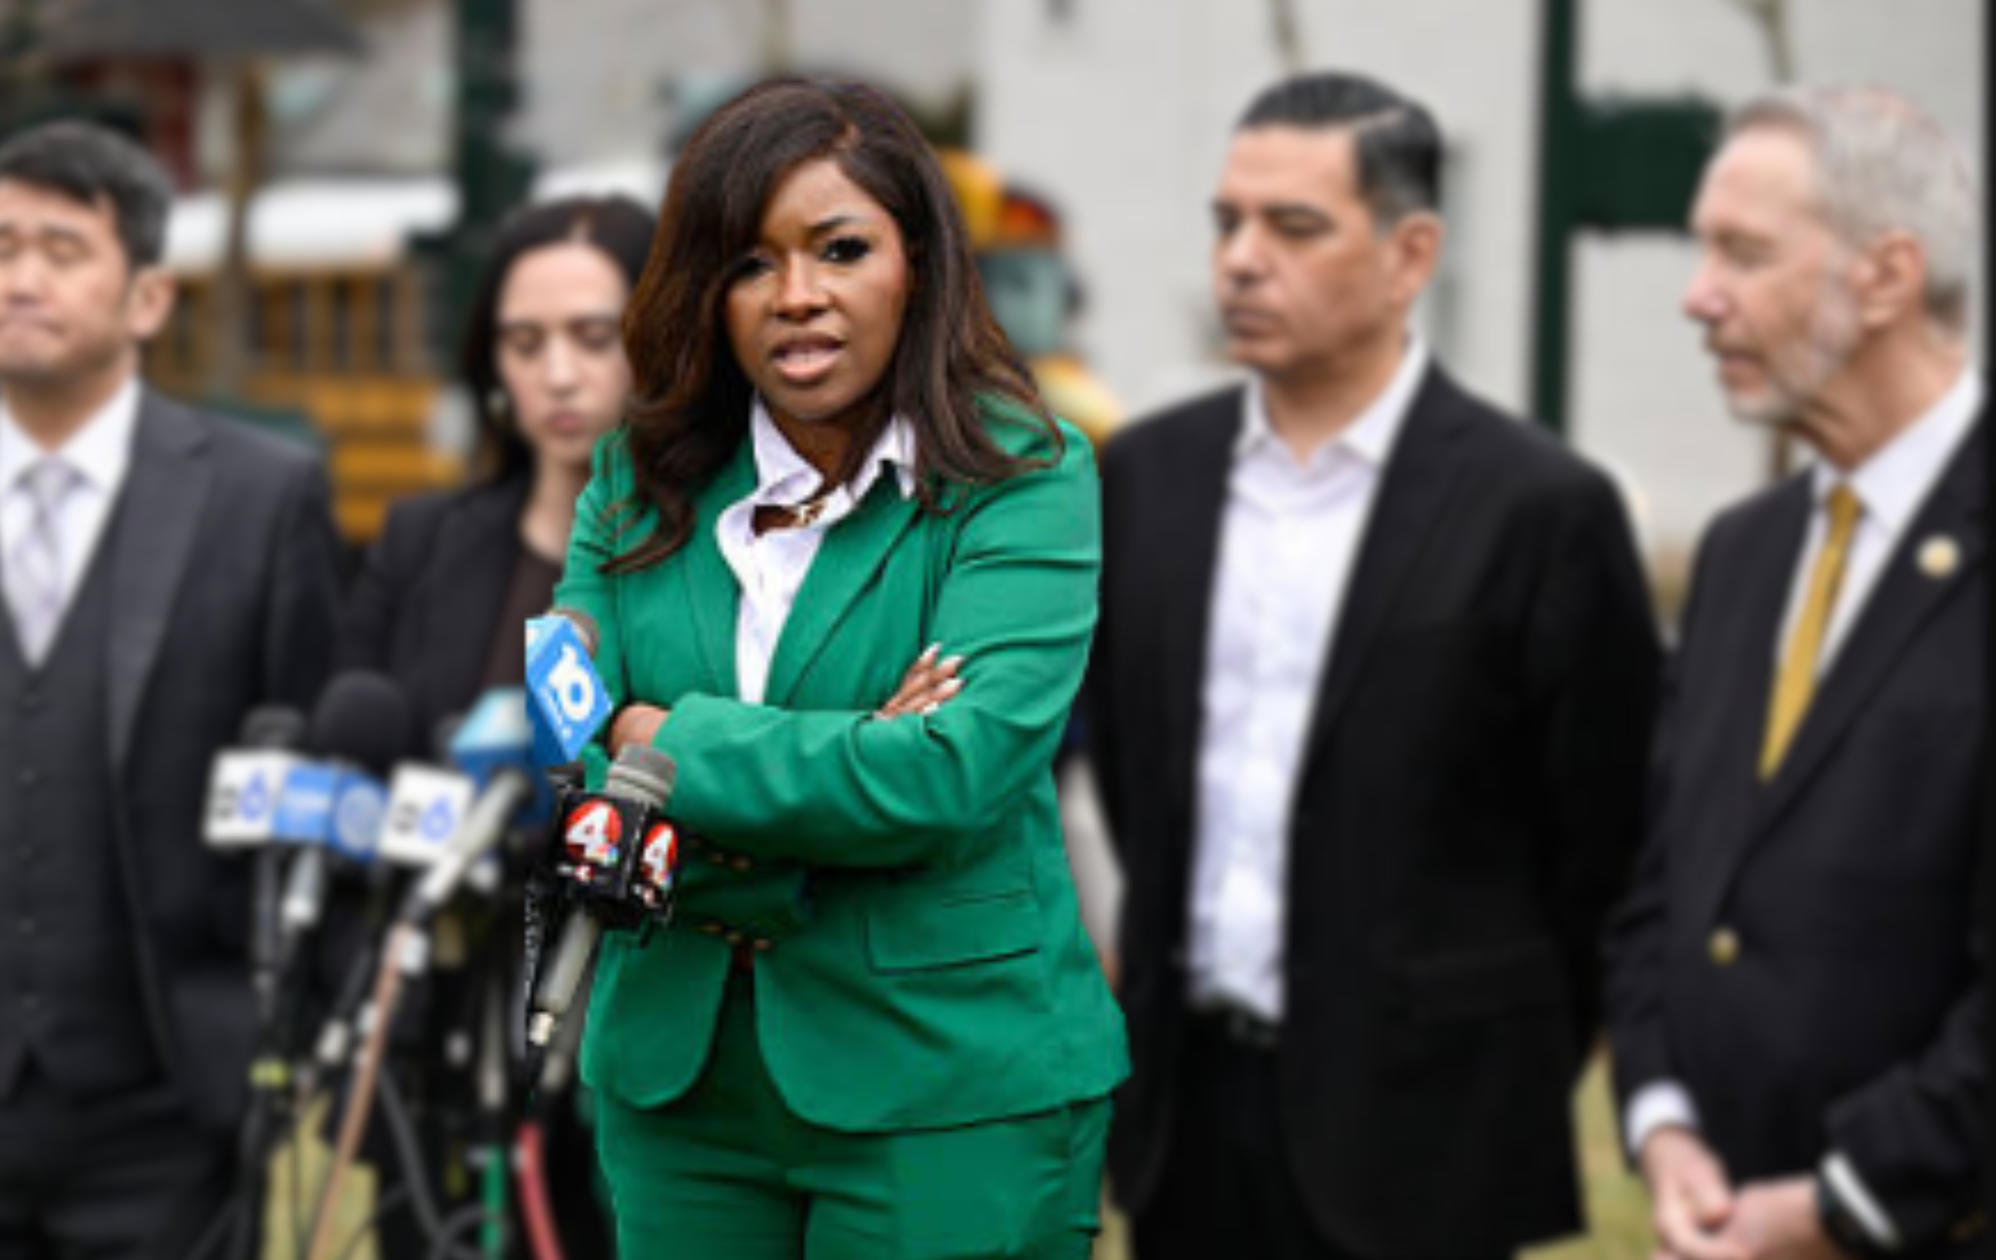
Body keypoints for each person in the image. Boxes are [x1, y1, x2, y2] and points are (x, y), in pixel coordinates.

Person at [1086, 72, 1663, 1260]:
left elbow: (1598, 842)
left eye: (1291, 227)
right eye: (1225, 222)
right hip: (1185, 1121)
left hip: (1426, 1134)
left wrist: (1497, 1052)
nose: (1241, 260)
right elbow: (1133, 784)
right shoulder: (1141, 478)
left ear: (1410, 255)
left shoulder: (1538, 508)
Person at [551, 76, 1127, 1260]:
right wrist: (850, 748)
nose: (796, 297)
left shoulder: (1023, 475)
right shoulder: (634, 474)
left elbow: (946, 776)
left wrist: (665, 739)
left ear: (916, 263)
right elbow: (562, 714)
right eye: (751, 263)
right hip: (679, 1080)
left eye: (839, 249)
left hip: (945, 1079)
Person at [0, 119, 343, 1257]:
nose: (21, 276)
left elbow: (317, 782)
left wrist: (265, 1028)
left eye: (61, 248)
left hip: (168, 1107)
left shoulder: (261, 498)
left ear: (147, 299)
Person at [1605, 85, 1985, 1260]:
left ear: (1885, 277)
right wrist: (1663, 1124)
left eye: (1742, 252)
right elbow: (1662, 883)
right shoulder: (1743, 551)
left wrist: (1841, 1204)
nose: (1694, 294)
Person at [332, 193, 655, 1260]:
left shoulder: (719, 562)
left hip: (635, 1069)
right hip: (439, 1052)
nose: (556, 375)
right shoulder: (423, 542)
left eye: (592, 338)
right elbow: (359, 747)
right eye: (525, 343)